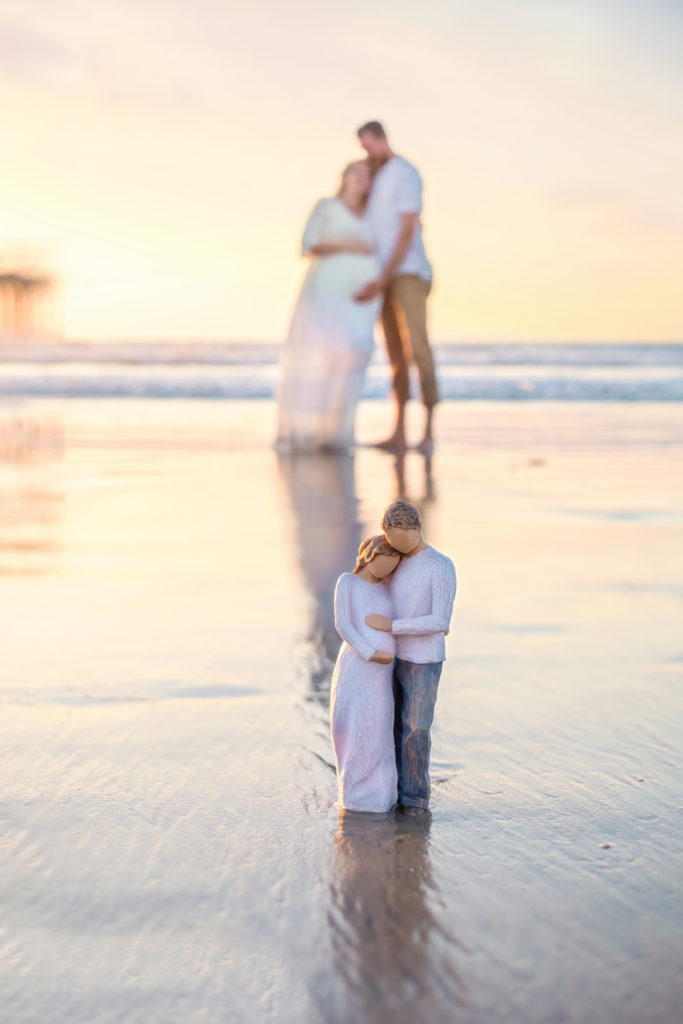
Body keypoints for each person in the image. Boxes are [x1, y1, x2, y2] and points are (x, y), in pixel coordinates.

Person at [276, 161, 382, 452]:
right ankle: (312, 434)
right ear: (344, 177)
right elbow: (308, 244)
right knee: (325, 356)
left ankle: (340, 434)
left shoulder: (374, 213)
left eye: (366, 175)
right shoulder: (326, 206)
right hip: (327, 295)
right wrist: (349, 246)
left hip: (362, 300)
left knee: (354, 356)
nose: (361, 179)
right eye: (355, 173)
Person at [365, 500, 456, 814]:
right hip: (389, 656)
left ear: (418, 528)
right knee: (387, 726)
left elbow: (440, 622)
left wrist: (393, 626)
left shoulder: (440, 566)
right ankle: (388, 791)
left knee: (416, 728)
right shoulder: (395, 561)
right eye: (392, 541)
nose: (398, 548)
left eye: (403, 539)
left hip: (424, 660)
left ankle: (415, 797)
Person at [354, 121, 438, 455]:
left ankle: (429, 434)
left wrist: (386, 275)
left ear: (382, 139)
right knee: (394, 356)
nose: (366, 153)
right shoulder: (373, 179)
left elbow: (406, 230)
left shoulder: (405, 174)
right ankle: (399, 434)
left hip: (407, 272)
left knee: (418, 348)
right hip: (382, 277)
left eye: (368, 145)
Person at [330, 535, 402, 812]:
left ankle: (381, 793)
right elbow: (343, 625)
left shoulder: (387, 588)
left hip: (382, 674)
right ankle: (357, 795)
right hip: (358, 666)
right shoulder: (348, 582)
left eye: (391, 567)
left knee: (379, 727)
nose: (386, 572)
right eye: (383, 564)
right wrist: (371, 652)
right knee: (357, 723)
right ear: (369, 556)